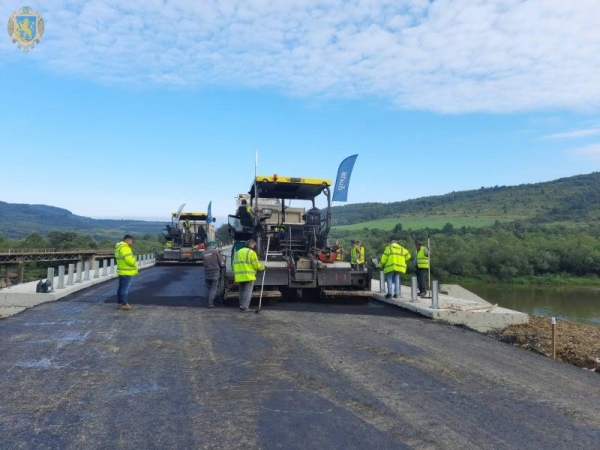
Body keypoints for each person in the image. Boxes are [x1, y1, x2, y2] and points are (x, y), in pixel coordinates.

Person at [233, 239, 265, 312]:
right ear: (250, 244)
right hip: (248, 275)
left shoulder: (237, 252)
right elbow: (256, 265)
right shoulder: (251, 252)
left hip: (239, 276)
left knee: (241, 292)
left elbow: (234, 263)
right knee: (247, 292)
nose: (254, 246)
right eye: (254, 245)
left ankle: (241, 306)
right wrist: (262, 267)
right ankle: (245, 307)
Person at [115, 234, 139, 310]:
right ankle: (124, 304)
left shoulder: (118, 247)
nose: (132, 243)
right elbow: (129, 259)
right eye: (131, 241)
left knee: (121, 288)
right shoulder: (125, 248)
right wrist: (135, 264)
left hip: (121, 270)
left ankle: (120, 303)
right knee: (124, 288)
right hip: (127, 271)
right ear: (127, 240)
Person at [203, 241, 224, 308]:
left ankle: (207, 301)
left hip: (207, 272)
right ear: (211, 246)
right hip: (215, 272)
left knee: (207, 287)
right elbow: (221, 262)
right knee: (214, 288)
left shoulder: (203, 253)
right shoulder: (215, 252)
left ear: (205, 247)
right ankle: (210, 303)